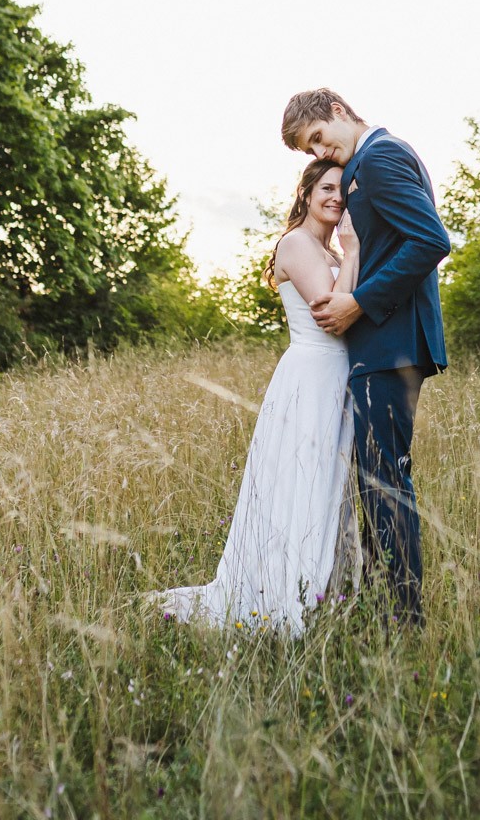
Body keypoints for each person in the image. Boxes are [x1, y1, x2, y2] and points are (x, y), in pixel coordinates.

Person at [152, 158, 360, 635]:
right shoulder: (297, 243)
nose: (336, 198)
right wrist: (352, 253)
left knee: (324, 485)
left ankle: (323, 590)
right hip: (311, 376)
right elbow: (331, 312)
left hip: (337, 377)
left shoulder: (328, 249)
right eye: (326, 189)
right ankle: (284, 591)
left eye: (342, 191)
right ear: (306, 194)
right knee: (299, 483)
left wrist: (347, 252)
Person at [281, 88, 450, 627]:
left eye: (317, 138)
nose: (319, 153)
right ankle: (383, 607)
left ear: (337, 111)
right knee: (377, 479)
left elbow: (431, 240)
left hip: (389, 343)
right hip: (385, 344)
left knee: (385, 482)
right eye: (310, 151)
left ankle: (401, 620)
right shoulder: (371, 159)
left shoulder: (379, 157)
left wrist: (359, 302)